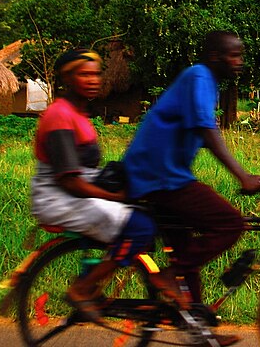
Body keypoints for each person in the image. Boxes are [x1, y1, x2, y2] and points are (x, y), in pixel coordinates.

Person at [123, 31, 260, 316]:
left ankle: (198, 327)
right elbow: (206, 130)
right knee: (230, 223)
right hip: (160, 176)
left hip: (162, 174)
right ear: (216, 57)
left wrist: (250, 176)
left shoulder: (205, 82)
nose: (240, 61)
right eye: (234, 55)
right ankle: (170, 275)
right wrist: (243, 176)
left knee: (185, 249)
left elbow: (201, 132)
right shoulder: (199, 77)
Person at [30, 49, 179, 320]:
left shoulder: (79, 113)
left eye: (96, 74)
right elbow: (69, 180)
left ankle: (95, 281)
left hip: (77, 194)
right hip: (60, 198)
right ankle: (83, 288)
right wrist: (115, 196)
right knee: (140, 226)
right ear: (67, 78)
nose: (93, 80)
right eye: (84, 74)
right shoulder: (59, 116)